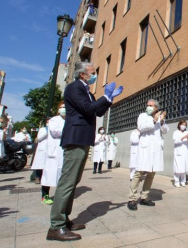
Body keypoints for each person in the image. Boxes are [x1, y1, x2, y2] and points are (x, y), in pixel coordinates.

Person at [46, 61, 123, 241]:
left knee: (73, 181)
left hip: (83, 138)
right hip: (75, 138)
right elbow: (87, 109)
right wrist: (105, 96)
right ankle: (55, 226)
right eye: (92, 72)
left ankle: (65, 220)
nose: (94, 74)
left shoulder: (87, 91)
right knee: (67, 182)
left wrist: (109, 99)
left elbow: (97, 113)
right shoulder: (74, 88)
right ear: (82, 74)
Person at [127, 99, 168, 211]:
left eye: (151, 105)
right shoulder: (142, 116)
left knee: (151, 174)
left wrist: (162, 121)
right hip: (145, 148)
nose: (148, 107)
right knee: (138, 173)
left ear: (156, 108)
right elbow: (141, 127)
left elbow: (165, 131)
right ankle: (132, 198)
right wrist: (154, 120)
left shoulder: (160, 117)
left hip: (155, 149)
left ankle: (144, 197)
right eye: (148, 105)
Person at [41, 102, 66, 205]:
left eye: (65, 107)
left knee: (62, 174)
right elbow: (55, 132)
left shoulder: (69, 120)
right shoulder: (54, 120)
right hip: (54, 151)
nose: (63, 109)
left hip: (64, 150)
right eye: (61, 107)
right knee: (49, 174)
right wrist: (68, 131)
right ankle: (44, 195)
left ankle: (60, 196)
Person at [31, 118, 50, 196]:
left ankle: (43, 179)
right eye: (48, 122)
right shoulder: (42, 129)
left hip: (50, 150)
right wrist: (47, 132)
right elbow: (38, 139)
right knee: (40, 165)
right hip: (42, 150)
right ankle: (37, 177)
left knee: (46, 166)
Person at [173, 120, 188, 187]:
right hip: (178, 152)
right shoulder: (176, 132)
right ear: (179, 125)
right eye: (182, 124)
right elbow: (176, 141)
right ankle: (176, 182)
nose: (183, 126)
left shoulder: (187, 132)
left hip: (185, 152)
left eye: (185, 125)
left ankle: (183, 181)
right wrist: (183, 137)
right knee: (178, 168)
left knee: (184, 168)